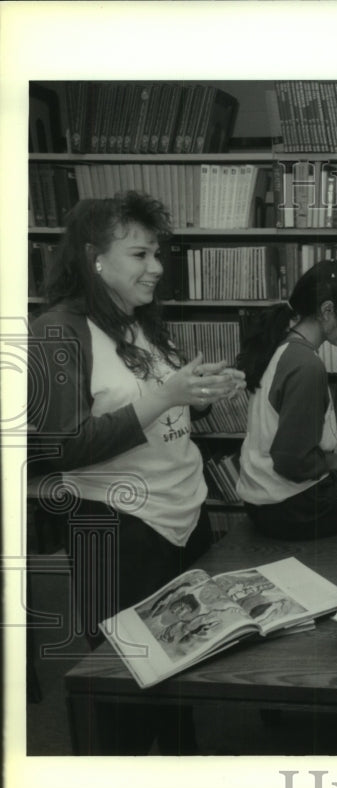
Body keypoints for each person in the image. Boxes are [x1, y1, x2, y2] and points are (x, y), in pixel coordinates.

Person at [27, 191, 243, 754]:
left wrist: (196, 393)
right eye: (140, 255)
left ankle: (177, 767)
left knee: (184, 658)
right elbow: (61, 446)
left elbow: (161, 406)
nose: (156, 268)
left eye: (156, 254)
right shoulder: (58, 330)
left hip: (181, 518)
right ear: (95, 258)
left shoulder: (142, 321)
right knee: (125, 677)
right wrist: (165, 393)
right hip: (118, 528)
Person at [236, 260, 337, 540]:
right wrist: (334, 462)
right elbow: (291, 463)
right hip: (288, 507)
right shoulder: (307, 366)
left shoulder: (285, 344)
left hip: (263, 501)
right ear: (327, 311)